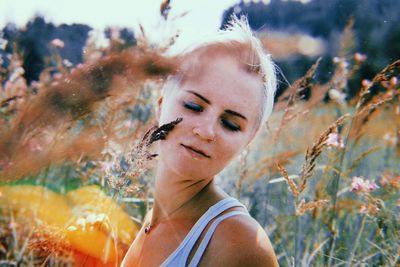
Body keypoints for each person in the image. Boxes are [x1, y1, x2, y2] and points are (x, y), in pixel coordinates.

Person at [121, 15, 279, 267]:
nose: (206, 131)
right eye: (194, 106)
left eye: (230, 124)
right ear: (161, 103)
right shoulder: (152, 222)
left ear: (249, 140)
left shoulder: (239, 243)